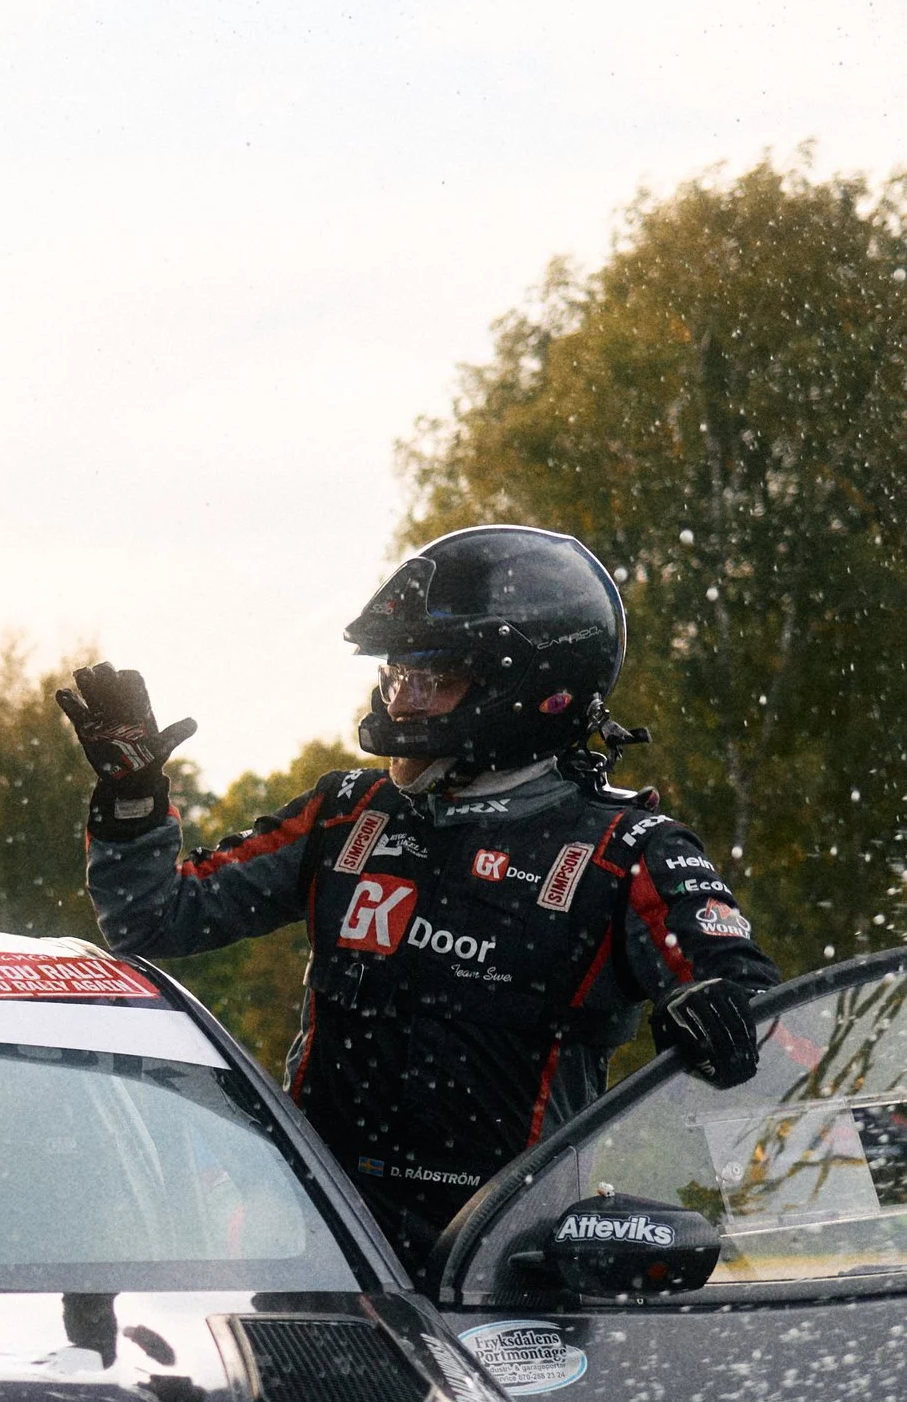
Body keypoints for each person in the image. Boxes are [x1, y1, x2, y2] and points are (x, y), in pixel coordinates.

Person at [64, 523, 778, 1274]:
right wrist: (133, 798)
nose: (403, 701)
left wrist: (719, 1014)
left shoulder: (629, 850)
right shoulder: (346, 811)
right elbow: (153, 917)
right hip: (319, 1248)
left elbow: (757, 1019)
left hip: (500, 1267)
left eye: (432, 677)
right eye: (395, 674)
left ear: (530, 683)